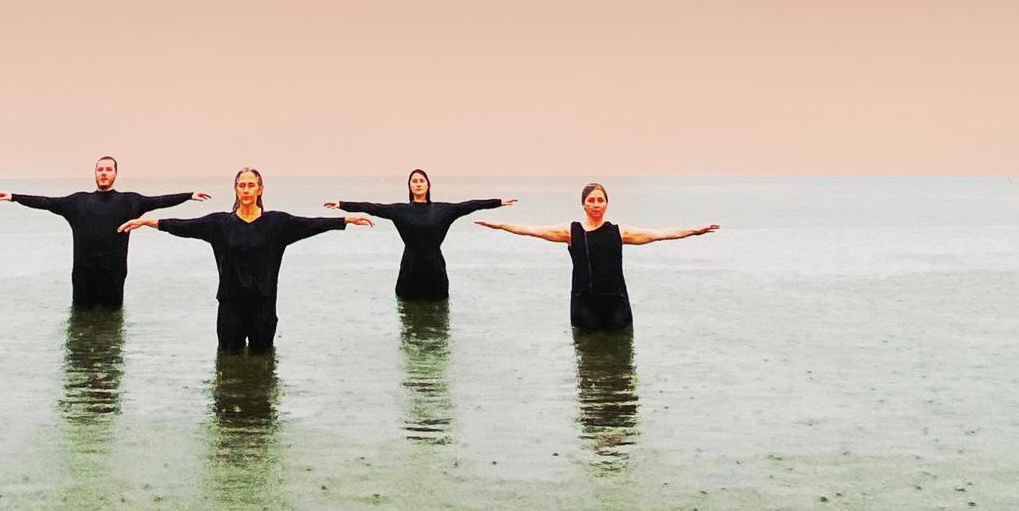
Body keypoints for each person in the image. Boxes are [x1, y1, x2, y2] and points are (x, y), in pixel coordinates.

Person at [121, 168, 373, 351]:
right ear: (236, 189)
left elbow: (309, 224)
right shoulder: (219, 223)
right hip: (230, 306)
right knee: (228, 364)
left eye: (251, 185)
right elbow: (184, 226)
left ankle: (260, 419)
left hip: (263, 306)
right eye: (242, 185)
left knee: (263, 364)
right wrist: (147, 222)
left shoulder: (277, 223)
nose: (246, 189)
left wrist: (344, 220)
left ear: (260, 189)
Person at [476, 182, 718, 331]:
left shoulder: (619, 232)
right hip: (584, 305)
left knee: (621, 363)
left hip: (616, 305)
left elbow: (659, 234)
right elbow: (532, 230)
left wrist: (694, 231)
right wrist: (498, 225)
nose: (596, 204)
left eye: (600, 200)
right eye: (591, 200)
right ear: (583, 204)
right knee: (588, 364)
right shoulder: (571, 232)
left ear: (606, 204)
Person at [0, 156, 208, 309]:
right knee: (80, 327)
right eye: (100, 169)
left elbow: (160, 201)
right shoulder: (77, 202)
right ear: (95, 173)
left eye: (108, 169)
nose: (104, 173)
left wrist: (189, 195)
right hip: (83, 276)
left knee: (112, 327)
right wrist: (14, 196)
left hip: (114, 276)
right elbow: (46, 202)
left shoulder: (130, 201)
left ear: (115, 174)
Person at [321, 169, 516, 302]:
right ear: (409, 186)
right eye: (414, 181)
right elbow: (371, 207)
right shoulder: (400, 211)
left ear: (429, 185)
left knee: (439, 322)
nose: (418, 184)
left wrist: (498, 202)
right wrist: (342, 204)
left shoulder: (443, 210)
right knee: (408, 322)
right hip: (409, 270)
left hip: (435, 270)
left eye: (422, 181)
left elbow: (470, 205)